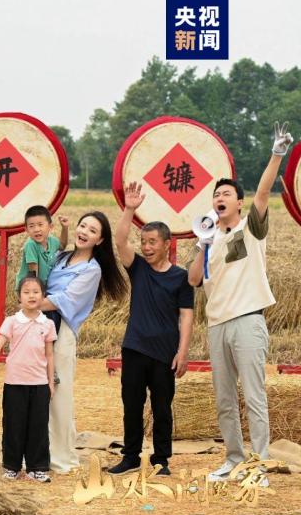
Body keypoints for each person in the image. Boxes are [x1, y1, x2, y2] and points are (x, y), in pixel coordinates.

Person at [187, 122, 293, 485]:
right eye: (217, 194)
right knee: (224, 400)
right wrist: (201, 242)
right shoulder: (209, 238)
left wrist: (276, 154)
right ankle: (233, 459)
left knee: (254, 395)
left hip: (247, 320)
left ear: (238, 202)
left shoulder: (250, 227)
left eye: (227, 194)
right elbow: (193, 280)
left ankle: (258, 465)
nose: (220, 198)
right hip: (216, 325)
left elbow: (264, 192)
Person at [109, 182, 194, 476]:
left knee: (162, 409)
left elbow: (186, 316)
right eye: (143, 241)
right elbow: (120, 241)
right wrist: (130, 208)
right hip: (134, 348)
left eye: (152, 242)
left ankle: (161, 460)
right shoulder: (139, 268)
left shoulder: (181, 278)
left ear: (166, 244)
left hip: (164, 353)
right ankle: (130, 456)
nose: (146, 247)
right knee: (131, 405)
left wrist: (182, 353)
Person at [39, 211, 127, 473]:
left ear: (100, 240)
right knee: (36, 390)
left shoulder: (91, 270)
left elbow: (63, 300)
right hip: (39, 326)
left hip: (61, 331)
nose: (84, 232)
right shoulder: (61, 257)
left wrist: (28, 306)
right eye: (83, 225)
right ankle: (37, 450)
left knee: (58, 392)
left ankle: (61, 457)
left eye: (92, 230)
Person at [0, 275, 57, 483]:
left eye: (36, 292)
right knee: (13, 426)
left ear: (43, 296)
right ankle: (12, 467)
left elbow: (49, 355)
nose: (31, 295)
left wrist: (50, 382)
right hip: (15, 383)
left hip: (39, 384)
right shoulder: (12, 321)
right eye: (26, 292)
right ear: (19, 298)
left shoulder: (47, 324)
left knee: (38, 427)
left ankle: (37, 467)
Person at [15, 205, 69, 287]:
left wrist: (65, 228)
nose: (36, 229)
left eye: (40, 225)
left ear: (50, 227)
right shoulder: (31, 245)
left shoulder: (52, 241)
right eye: (31, 226)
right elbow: (33, 274)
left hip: (42, 286)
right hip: (28, 287)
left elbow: (62, 246)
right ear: (26, 230)